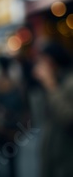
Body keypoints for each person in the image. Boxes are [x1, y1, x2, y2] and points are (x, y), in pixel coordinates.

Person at [33, 41, 73, 177]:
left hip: (65, 160)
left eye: (42, 62)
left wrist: (51, 85)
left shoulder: (68, 83)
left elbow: (67, 118)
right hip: (54, 155)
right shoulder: (58, 81)